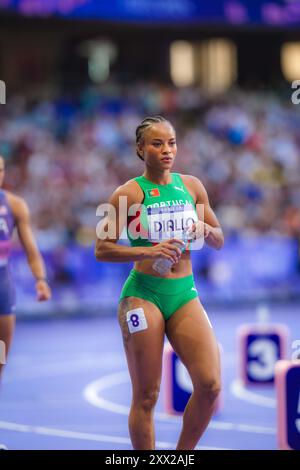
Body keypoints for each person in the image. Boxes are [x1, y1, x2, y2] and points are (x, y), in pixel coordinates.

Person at [95, 116, 224, 450]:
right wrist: (149, 250)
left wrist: (207, 231)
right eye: (157, 143)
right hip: (143, 294)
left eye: (172, 142)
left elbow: (220, 238)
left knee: (210, 385)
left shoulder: (192, 186)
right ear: (141, 148)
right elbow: (102, 249)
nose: (167, 150)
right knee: (148, 395)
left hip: (183, 293)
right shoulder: (127, 194)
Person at [0, 155, 51, 383]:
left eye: (1, 170)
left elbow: (31, 250)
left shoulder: (14, 205)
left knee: (0, 360)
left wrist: (40, 279)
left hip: (3, 290)